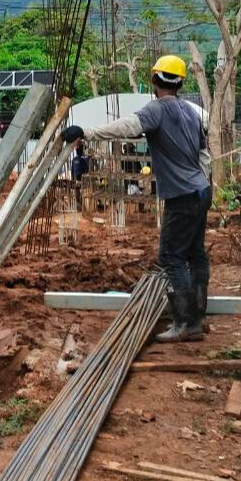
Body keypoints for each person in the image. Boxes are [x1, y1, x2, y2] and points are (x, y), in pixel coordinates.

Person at [61, 54, 212, 343]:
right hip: (201, 190)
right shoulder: (192, 112)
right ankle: (198, 315)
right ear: (181, 82)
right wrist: (203, 184)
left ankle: (186, 324)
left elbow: (126, 128)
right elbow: (204, 154)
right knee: (196, 253)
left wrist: (86, 131)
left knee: (171, 256)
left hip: (182, 194)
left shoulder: (157, 110)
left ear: (154, 80)